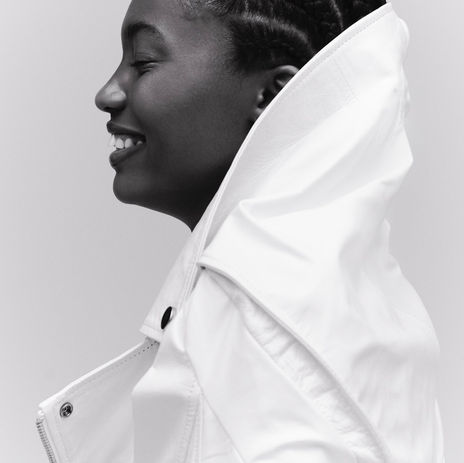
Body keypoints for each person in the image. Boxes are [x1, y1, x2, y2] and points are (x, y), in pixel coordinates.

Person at [36, 1, 446, 462]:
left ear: (271, 95)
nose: (107, 93)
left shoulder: (244, 335)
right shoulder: (360, 295)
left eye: (144, 61)